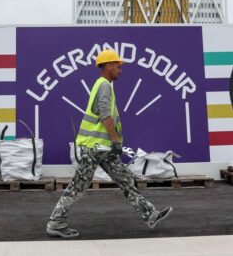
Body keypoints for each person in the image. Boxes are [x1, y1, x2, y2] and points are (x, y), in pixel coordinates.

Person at [46, 49, 172, 238]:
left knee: (125, 179)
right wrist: (115, 140)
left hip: (103, 149)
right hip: (94, 148)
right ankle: (56, 223)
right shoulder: (104, 85)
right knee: (78, 186)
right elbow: (105, 115)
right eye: (118, 66)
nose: (120, 70)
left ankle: (150, 214)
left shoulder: (105, 85)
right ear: (108, 66)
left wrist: (113, 142)